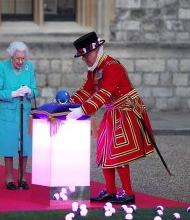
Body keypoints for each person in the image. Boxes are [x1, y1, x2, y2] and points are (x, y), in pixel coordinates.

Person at [66, 32, 155, 204]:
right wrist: (67, 103)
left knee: (119, 154)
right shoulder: (96, 69)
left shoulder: (112, 66)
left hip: (126, 111)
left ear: (95, 51)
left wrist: (82, 111)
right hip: (113, 111)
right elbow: (88, 90)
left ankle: (128, 194)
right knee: (104, 151)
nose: (84, 60)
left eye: (85, 56)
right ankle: (110, 191)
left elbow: (104, 93)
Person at [0, 41, 38, 190]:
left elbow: (36, 90)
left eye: (23, 58)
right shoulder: (2, 67)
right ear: (11, 56)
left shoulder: (29, 67)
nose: (20, 62)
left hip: (24, 111)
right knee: (9, 145)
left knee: (25, 146)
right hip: (9, 112)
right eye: (17, 58)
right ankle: (9, 178)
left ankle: (22, 177)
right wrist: (13, 93)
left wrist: (30, 91)